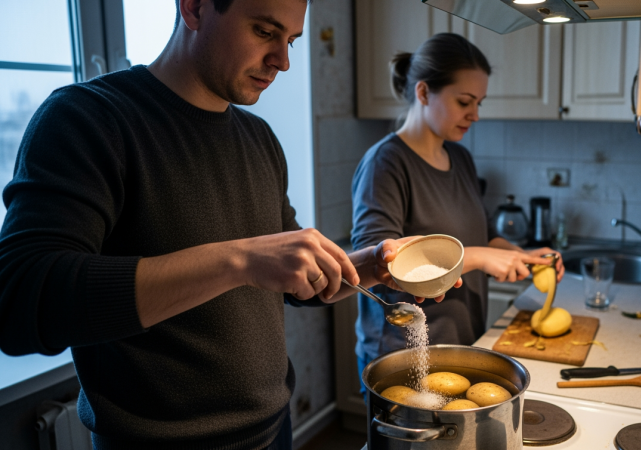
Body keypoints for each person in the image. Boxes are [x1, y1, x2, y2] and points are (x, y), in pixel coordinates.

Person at [0, 1, 457, 449]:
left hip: (272, 430)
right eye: (264, 32)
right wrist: (239, 260)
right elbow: (20, 299)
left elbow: (294, 283)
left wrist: (375, 265)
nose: (283, 61)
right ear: (194, 8)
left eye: (290, 40)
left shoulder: (259, 139)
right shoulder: (87, 118)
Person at [351, 33, 565, 386]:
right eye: (464, 101)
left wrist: (521, 255)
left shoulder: (460, 157)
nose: (475, 115)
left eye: (479, 103)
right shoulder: (385, 164)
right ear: (423, 93)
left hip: (462, 344)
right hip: (405, 360)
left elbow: (481, 235)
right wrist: (481, 258)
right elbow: (379, 268)